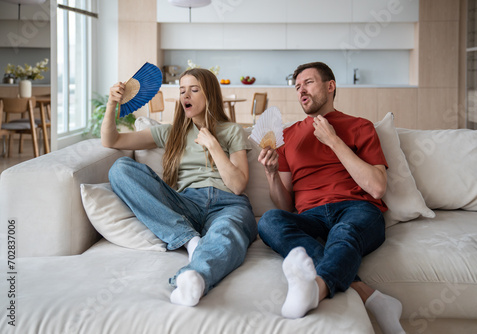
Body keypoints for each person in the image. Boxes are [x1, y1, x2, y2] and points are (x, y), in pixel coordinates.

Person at [257, 62, 405, 334]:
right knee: (269, 220)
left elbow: (377, 187)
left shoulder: (360, 126)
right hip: (310, 215)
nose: (301, 90)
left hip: (357, 209)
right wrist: (271, 174)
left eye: (309, 83)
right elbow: (285, 206)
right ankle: (369, 295)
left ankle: (316, 289)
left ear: (330, 86)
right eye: (297, 86)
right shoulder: (287, 136)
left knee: (344, 231)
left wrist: (334, 141)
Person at [102, 68, 257, 307]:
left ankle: (194, 278)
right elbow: (111, 141)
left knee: (226, 232)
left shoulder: (232, 131)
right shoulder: (171, 132)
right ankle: (189, 240)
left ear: (210, 96)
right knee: (120, 169)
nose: (186, 95)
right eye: (182, 90)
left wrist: (213, 145)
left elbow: (237, 186)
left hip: (228, 204)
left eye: (194, 90)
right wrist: (112, 104)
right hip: (186, 204)